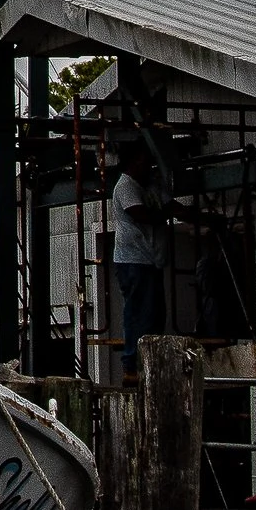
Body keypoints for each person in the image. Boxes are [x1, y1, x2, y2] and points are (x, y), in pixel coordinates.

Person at [109, 140, 165, 373]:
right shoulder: (126, 187)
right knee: (138, 309)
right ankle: (132, 359)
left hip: (147, 258)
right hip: (132, 258)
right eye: (143, 160)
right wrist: (164, 212)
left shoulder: (146, 186)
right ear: (132, 161)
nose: (147, 165)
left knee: (153, 311)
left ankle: (149, 358)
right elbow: (140, 213)